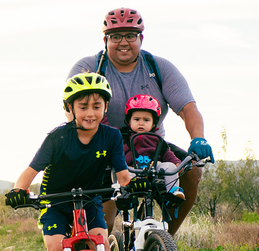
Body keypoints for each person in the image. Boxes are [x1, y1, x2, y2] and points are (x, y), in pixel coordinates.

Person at [5, 73, 140, 251]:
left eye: (97, 106)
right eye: (83, 106)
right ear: (70, 108)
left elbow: (123, 174)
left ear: (105, 107)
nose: (90, 113)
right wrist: (19, 190)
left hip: (90, 199)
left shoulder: (111, 137)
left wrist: (134, 186)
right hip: (55, 201)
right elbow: (31, 171)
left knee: (101, 243)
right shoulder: (58, 137)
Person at [67, 7, 214, 234]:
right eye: (116, 36)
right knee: (102, 224)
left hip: (150, 146)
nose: (123, 42)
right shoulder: (89, 68)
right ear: (105, 39)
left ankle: (164, 241)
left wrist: (199, 139)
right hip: (104, 147)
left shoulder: (159, 67)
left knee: (192, 169)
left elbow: (187, 108)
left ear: (141, 38)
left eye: (130, 35)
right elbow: (72, 111)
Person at [123, 94, 186, 205]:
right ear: (129, 121)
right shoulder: (124, 138)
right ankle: (123, 194)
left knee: (169, 167)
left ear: (153, 123)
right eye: (136, 119)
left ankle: (173, 192)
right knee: (120, 170)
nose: (141, 123)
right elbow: (117, 154)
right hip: (132, 170)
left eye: (146, 120)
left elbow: (167, 153)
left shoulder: (157, 139)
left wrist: (176, 163)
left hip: (153, 168)